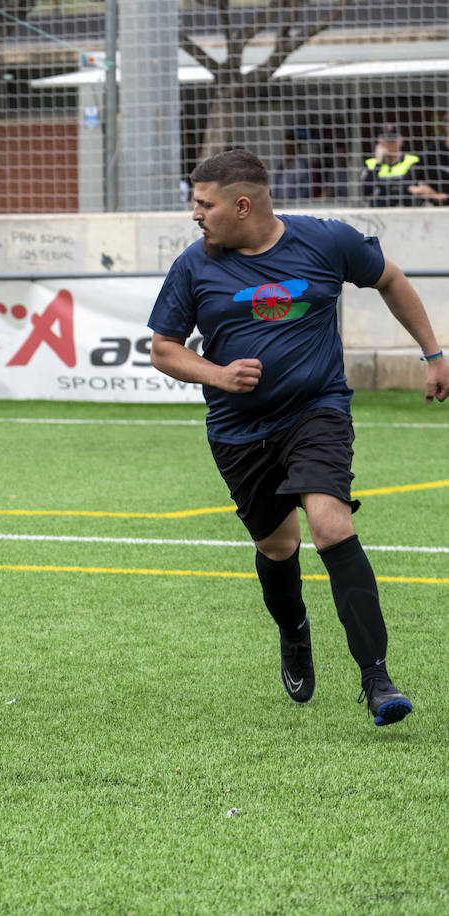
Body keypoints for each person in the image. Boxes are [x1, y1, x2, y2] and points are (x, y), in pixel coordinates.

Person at [148, 148, 449, 727]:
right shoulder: (193, 266)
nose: (194, 214)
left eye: (203, 204)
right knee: (278, 547)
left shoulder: (326, 241)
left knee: (331, 522)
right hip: (238, 432)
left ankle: (377, 677)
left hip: (318, 411)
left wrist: (433, 353)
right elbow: (164, 348)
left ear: (241, 205)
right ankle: (294, 631)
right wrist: (218, 375)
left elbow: (389, 279)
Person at [359, 123, 437, 207]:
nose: (388, 142)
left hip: (406, 211)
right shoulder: (371, 163)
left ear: (401, 141)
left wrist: (383, 187)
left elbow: (419, 189)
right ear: (379, 141)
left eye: (392, 138)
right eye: (385, 138)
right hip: (379, 213)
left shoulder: (413, 161)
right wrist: (378, 163)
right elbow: (365, 193)